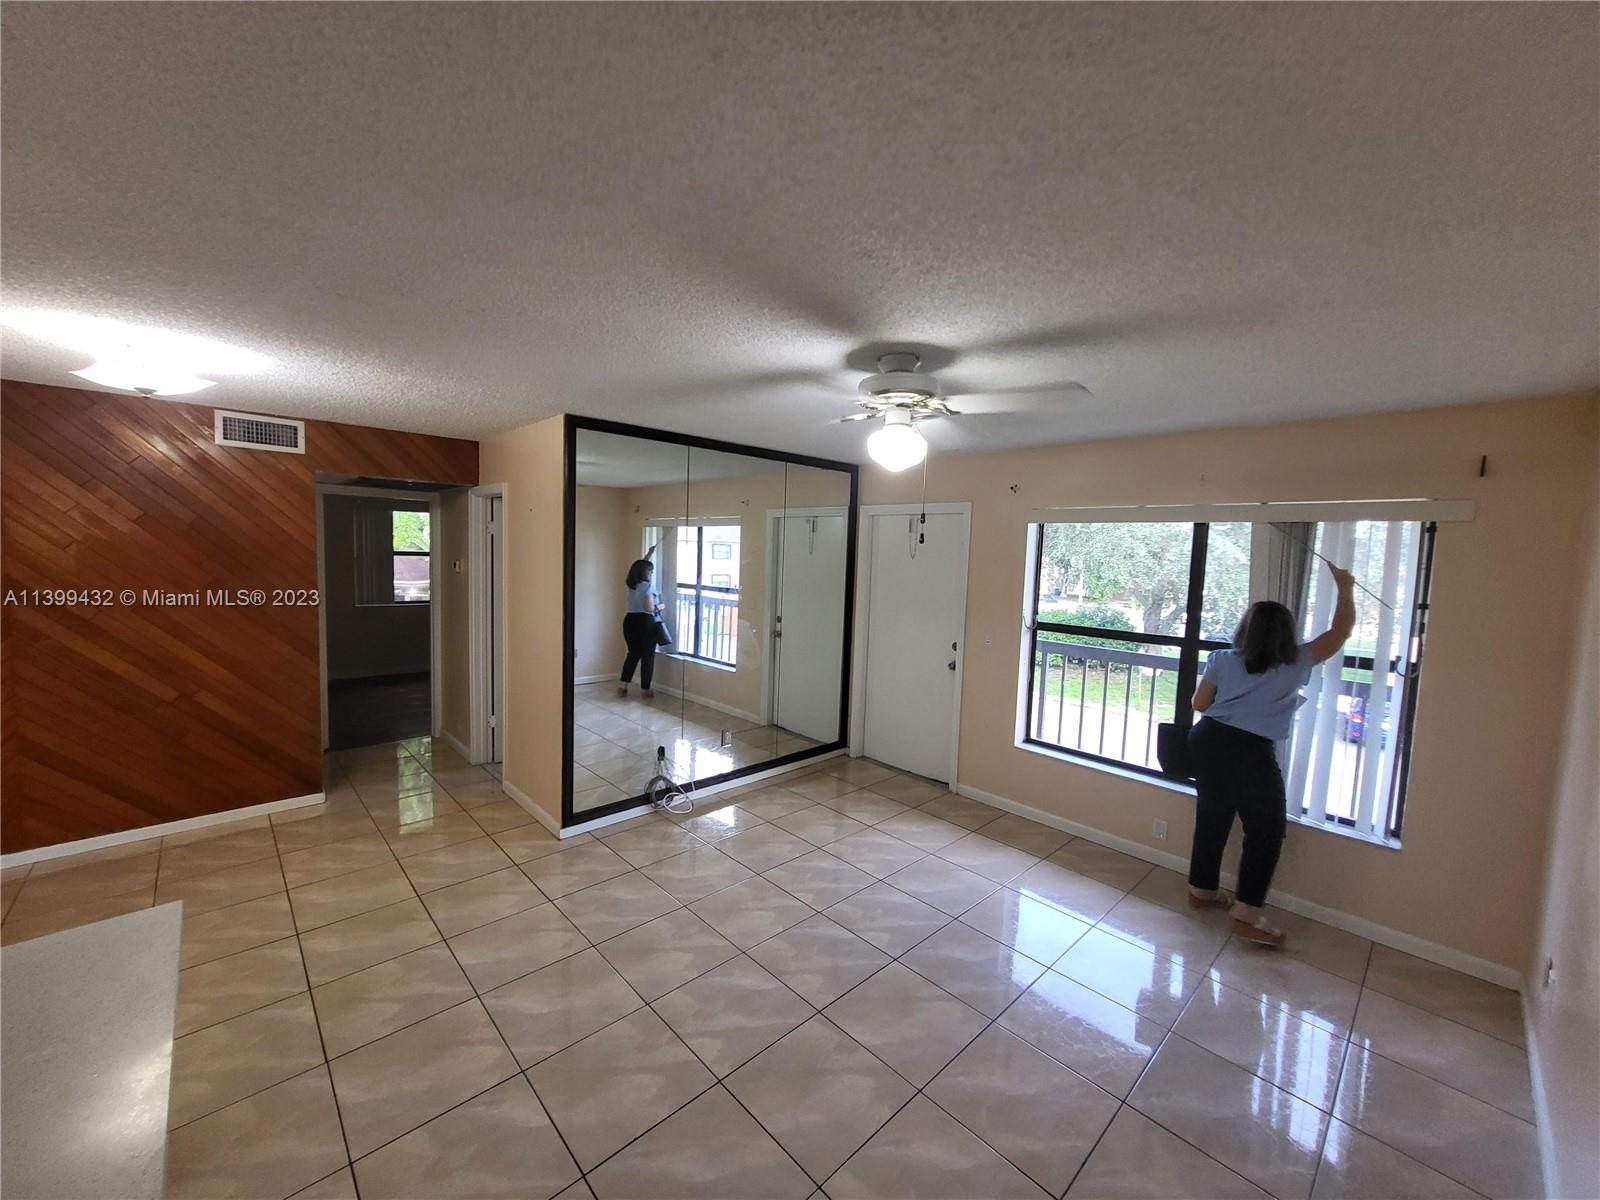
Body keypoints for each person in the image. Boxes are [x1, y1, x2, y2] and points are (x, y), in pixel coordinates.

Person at [1185, 560, 1356, 946]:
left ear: (1246, 629)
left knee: (1213, 816)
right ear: (1286, 633)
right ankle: (1246, 914)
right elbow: (1341, 631)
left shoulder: (1222, 659)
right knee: (1266, 830)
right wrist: (1345, 587)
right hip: (1250, 750)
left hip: (1208, 740)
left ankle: (1202, 890)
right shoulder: (1296, 662)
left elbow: (1199, 703)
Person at [618, 544, 661, 698]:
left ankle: (623, 686)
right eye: (650, 571)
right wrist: (660, 607)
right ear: (645, 572)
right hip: (645, 623)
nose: (652, 573)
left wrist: (649, 554)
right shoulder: (648, 586)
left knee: (633, 654)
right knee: (647, 656)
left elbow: (638, 566)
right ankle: (645, 689)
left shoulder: (632, 583)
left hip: (630, 621)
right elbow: (648, 607)